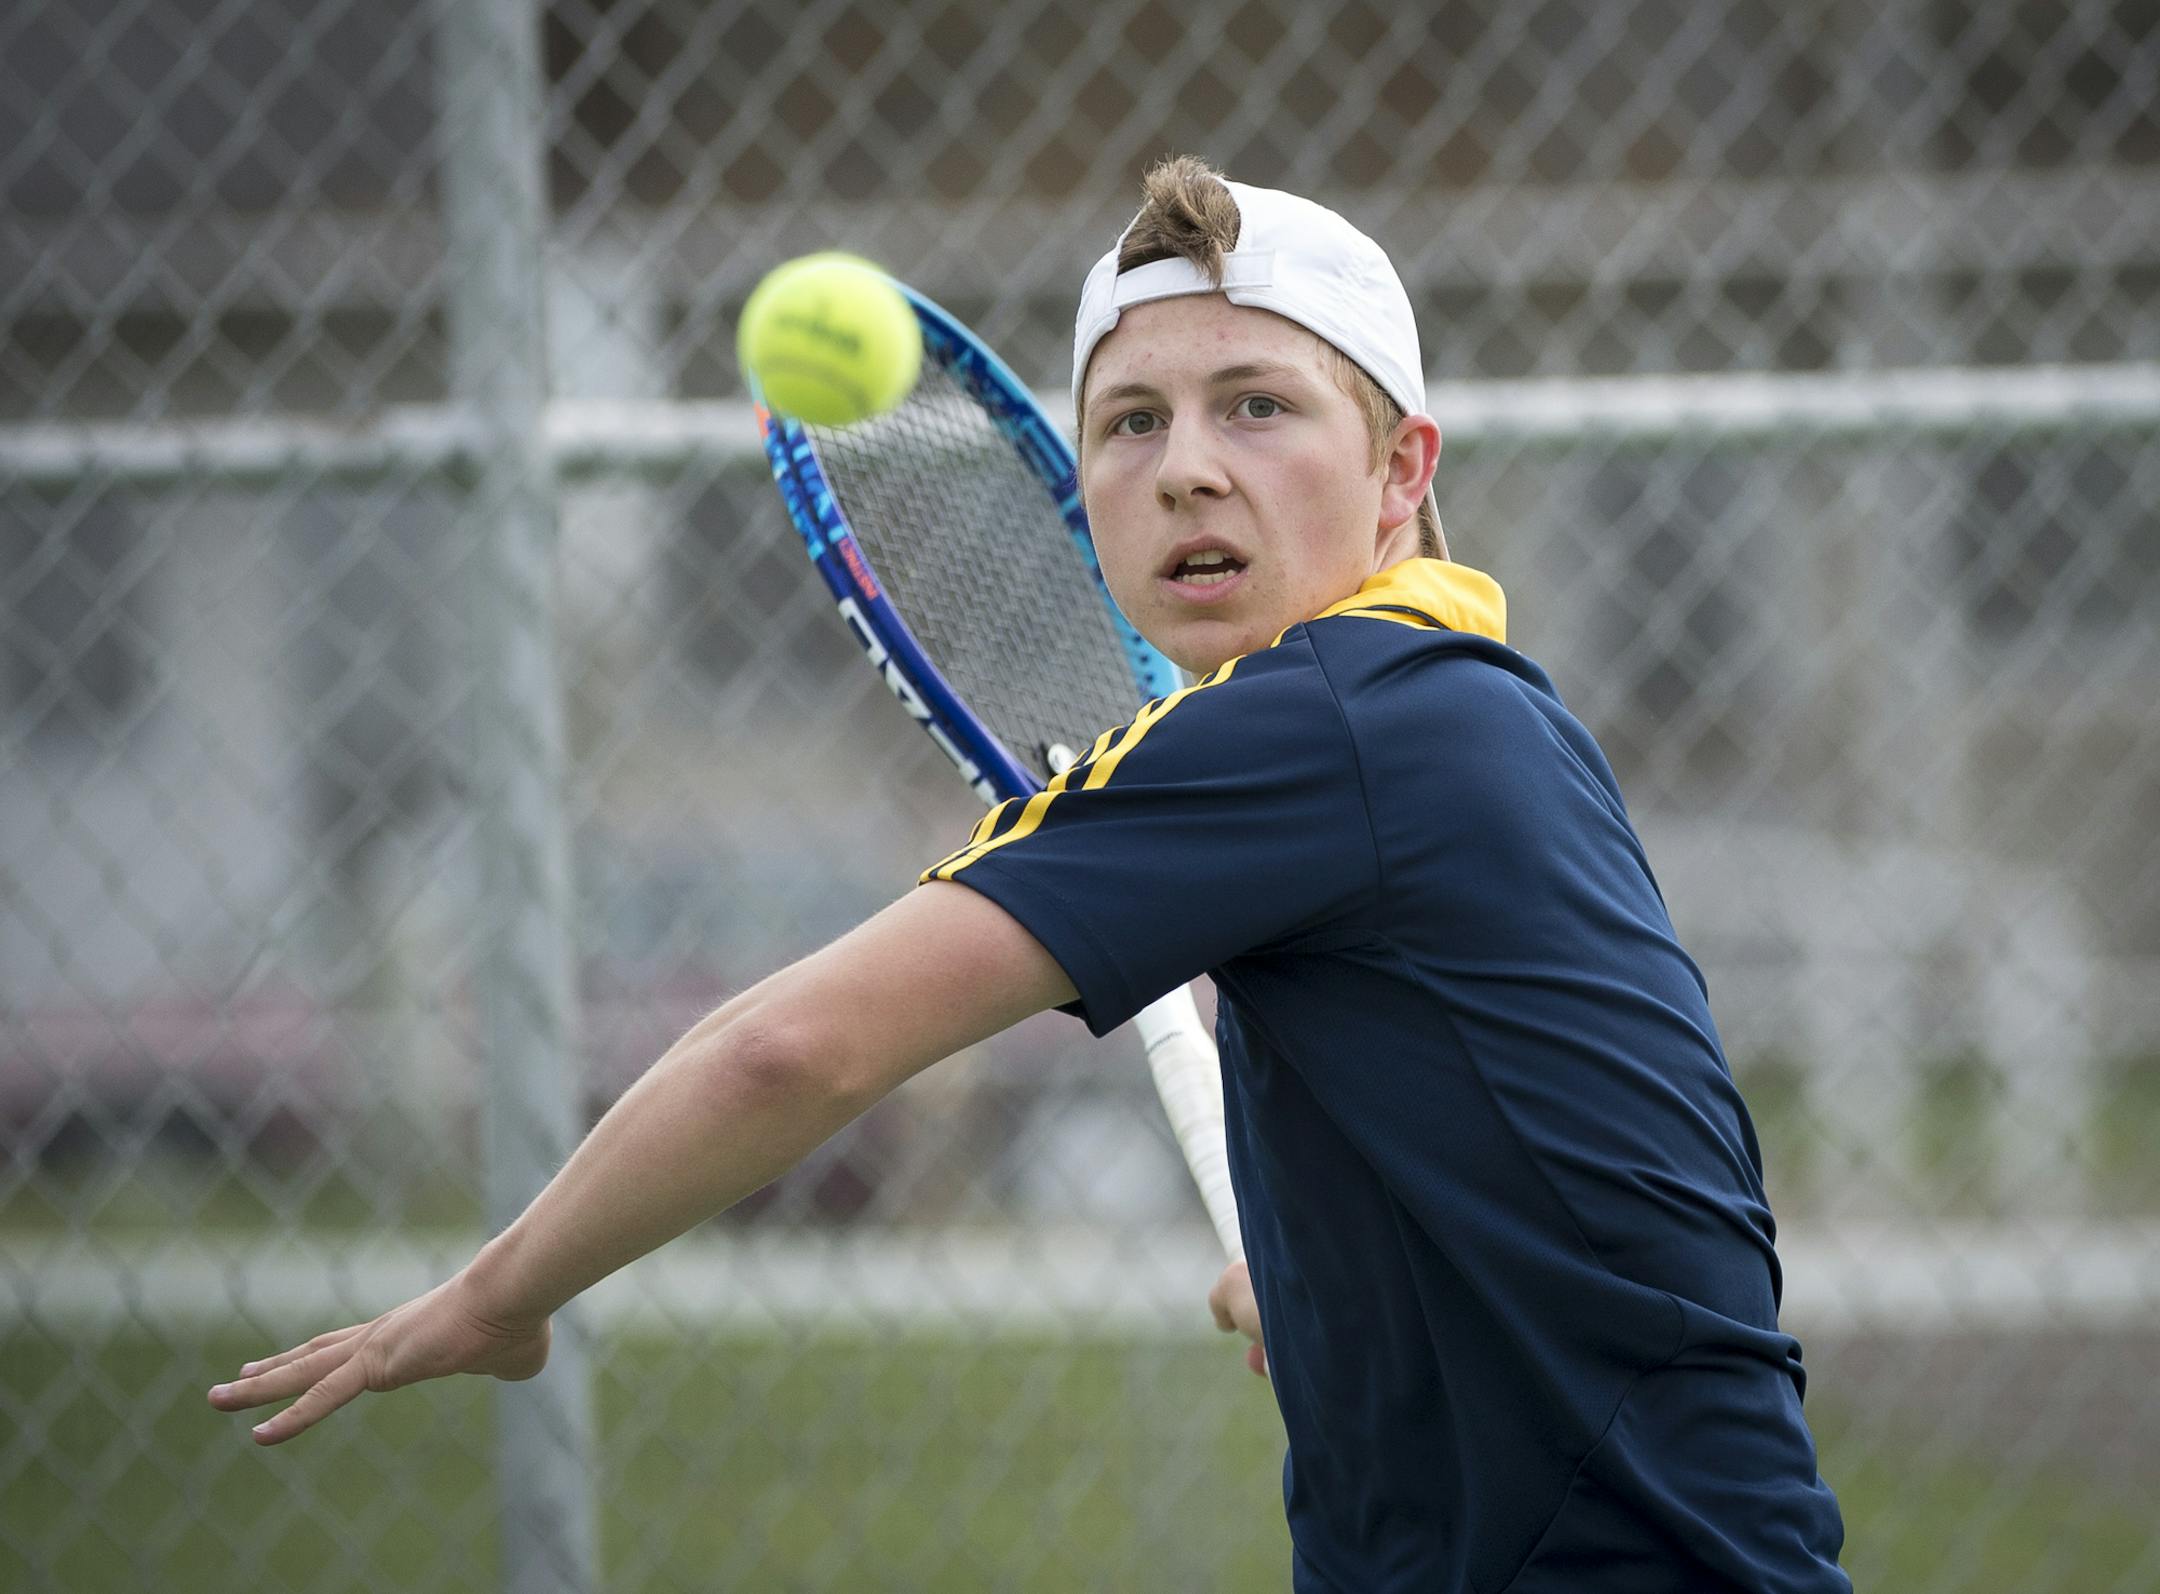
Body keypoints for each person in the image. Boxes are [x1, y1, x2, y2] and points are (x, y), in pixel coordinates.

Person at [211, 155, 1850, 1592]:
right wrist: (1344, 1285)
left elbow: (800, 1048)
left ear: (1404, 469)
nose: (1187, 465)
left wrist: (502, 1290)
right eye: (1131, 422)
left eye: (1258, 406)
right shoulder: (1479, 707)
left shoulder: (1321, 727)